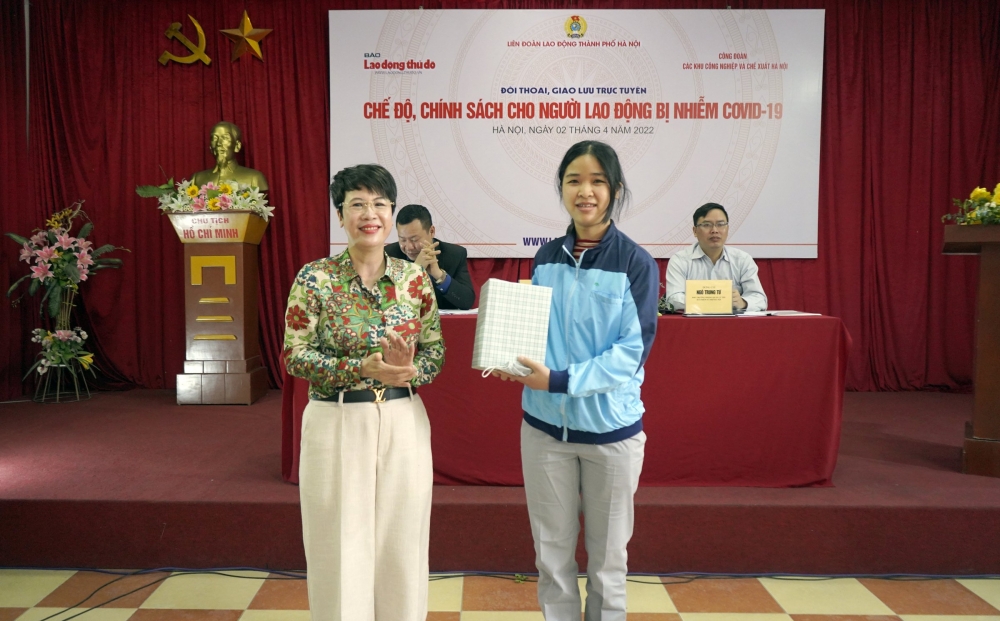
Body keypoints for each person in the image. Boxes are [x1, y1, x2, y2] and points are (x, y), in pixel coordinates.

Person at [492, 141, 659, 621]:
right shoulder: (545, 257)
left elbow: (630, 355)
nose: (585, 191)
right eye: (574, 181)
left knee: (608, 563)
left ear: (615, 190)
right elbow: (537, 333)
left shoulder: (636, 263)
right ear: (562, 188)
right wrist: (512, 360)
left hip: (611, 434)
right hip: (545, 431)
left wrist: (560, 380)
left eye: (597, 181)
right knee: (551, 556)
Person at [283, 164, 444, 621]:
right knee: (339, 544)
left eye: (379, 204)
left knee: (402, 541)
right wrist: (358, 367)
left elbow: (435, 352)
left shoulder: (414, 280)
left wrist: (411, 371)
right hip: (336, 419)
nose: (369, 214)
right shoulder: (315, 278)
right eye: (357, 204)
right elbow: (294, 355)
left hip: (402, 418)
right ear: (340, 215)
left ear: (392, 212)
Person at [662, 202, 767, 312]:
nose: (714, 230)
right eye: (707, 225)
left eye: (720, 224)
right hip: (695, 321)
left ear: (727, 229)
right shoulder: (680, 260)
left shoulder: (742, 259)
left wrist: (743, 303)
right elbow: (673, 299)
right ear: (695, 231)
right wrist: (715, 301)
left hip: (733, 321)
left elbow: (759, 299)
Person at [385, 204, 476, 310]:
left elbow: (467, 302)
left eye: (414, 240)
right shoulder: (388, 255)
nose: (409, 247)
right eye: (403, 240)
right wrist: (414, 272)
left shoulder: (454, 255)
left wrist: (439, 275)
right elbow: (384, 303)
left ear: (431, 231)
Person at [191, 121, 269, 190]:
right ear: (210, 147)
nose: (219, 143)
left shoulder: (254, 178)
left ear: (237, 146)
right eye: (214, 138)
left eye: (225, 138)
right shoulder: (197, 179)